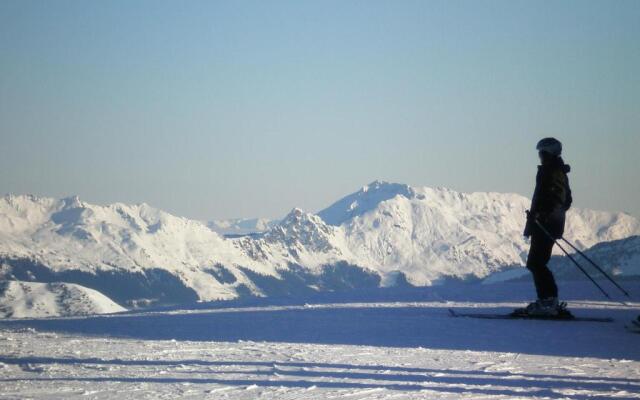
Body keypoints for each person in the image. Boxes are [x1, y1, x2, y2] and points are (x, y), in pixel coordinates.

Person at [522, 137, 573, 316]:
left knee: (536, 263)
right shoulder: (552, 171)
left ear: (549, 153)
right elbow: (566, 200)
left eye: (542, 152)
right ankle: (548, 300)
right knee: (537, 262)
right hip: (547, 223)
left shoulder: (553, 172)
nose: (540, 156)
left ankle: (548, 302)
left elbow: (559, 199)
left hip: (546, 225)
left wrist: (542, 215)